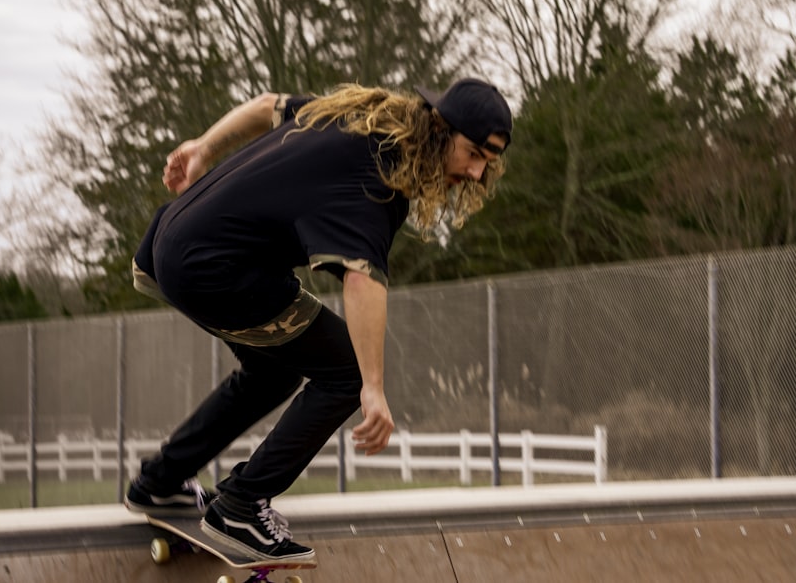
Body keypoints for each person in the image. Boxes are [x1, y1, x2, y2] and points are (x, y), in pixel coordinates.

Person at [124, 78, 512, 563]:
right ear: (438, 129)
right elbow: (362, 279)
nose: (476, 173)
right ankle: (242, 506)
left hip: (172, 243)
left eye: (487, 163)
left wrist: (203, 147)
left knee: (275, 369)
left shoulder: (357, 116)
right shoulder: (381, 176)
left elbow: (267, 107)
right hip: (214, 270)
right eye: (473, 153)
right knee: (345, 372)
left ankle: (160, 481)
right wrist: (370, 386)